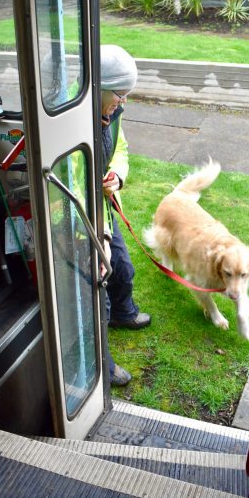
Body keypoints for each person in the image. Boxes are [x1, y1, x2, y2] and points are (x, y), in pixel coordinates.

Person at [99, 44, 150, 387]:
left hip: (104, 209)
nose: (124, 102)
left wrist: (117, 176)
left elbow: (121, 150)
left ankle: (124, 313)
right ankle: (100, 365)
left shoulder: (112, 116)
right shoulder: (69, 118)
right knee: (94, 298)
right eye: (120, 93)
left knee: (123, 267)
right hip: (77, 222)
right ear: (100, 88)